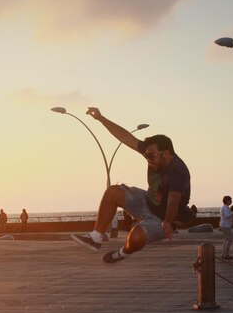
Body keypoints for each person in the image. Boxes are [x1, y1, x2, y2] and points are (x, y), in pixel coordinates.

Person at [71, 107, 194, 263]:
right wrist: (101, 118)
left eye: (151, 156)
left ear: (166, 153)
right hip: (147, 201)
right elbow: (125, 137)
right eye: (146, 155)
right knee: (112, 192)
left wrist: (168, 222)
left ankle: (122, 253)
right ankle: (95, 237)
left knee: (136, 237)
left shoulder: (178, 172)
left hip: (164, 218)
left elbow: (173, 201)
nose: (148, 159)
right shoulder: (152, 153)